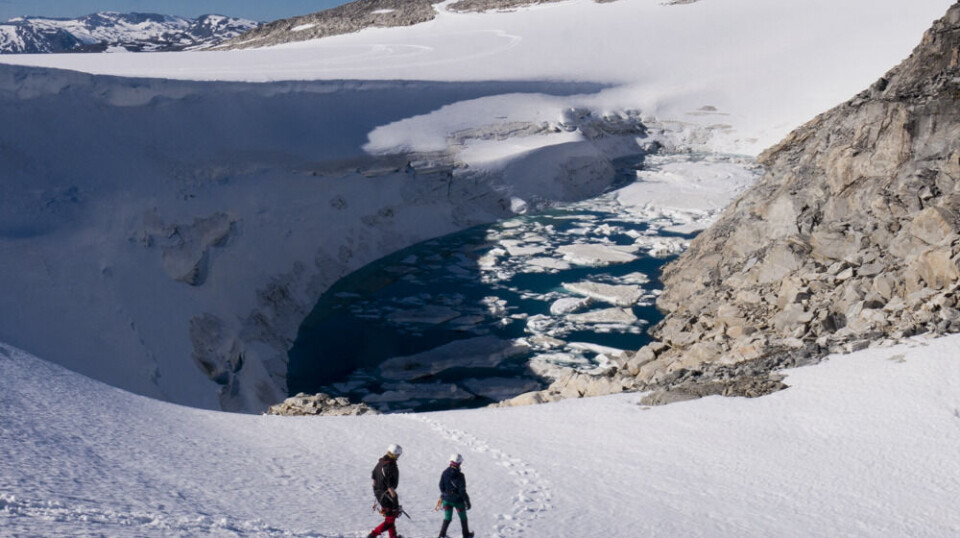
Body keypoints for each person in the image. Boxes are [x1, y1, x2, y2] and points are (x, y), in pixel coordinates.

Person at [369, 443, 403, 538]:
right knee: (390, 520)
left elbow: (374, 481)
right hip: (387, 496)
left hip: (379, 495)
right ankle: (372, 535)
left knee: (390, 517)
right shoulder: (391, 467)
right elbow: (390, 488)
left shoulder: (380, 463)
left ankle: (393, 536)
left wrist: (378, 494)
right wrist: (395, 504)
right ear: (397, 454)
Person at [436, 453, 473, 538]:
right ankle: (466, 534)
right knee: (463, 518)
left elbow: (441, 486)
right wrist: (467, 501)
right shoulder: (460, 476)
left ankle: (442, 535)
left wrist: (444, 495)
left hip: (446, 500)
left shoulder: (445, 473)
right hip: (458, 501)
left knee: (447, 518)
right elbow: (462, 491)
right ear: (460, 463)